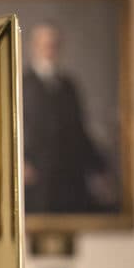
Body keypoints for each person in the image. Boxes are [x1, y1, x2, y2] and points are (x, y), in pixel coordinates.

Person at [23, 22, 110, 214]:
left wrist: (98, 167)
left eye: (53, 45)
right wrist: (19, 161)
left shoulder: (69, 86)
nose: (49, 50)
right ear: (34, 47)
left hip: (68, 172)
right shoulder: (21, 84)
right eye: (44, 44)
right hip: (36, 175)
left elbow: (79, 129)